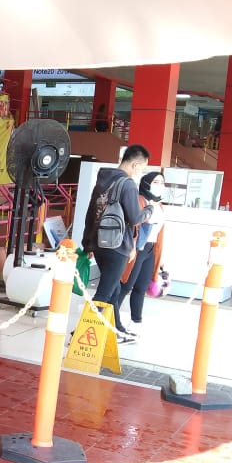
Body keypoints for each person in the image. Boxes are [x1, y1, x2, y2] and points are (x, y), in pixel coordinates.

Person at [81, 143, 154, 342]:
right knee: (104, 293)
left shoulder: (103, 180)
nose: (140, 172)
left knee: (113, 289)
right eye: (142, 168)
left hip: (99, 244)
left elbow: (91, 213)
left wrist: (87, 243)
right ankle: (80, 336)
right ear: (135, 165)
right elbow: (135, 217)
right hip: (117, 246)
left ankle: (117, 330)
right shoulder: (128, 184)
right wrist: (149, 210)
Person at [118, 171, 167, 338]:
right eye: (155, 182)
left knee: (140, 288)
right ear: (146, 184)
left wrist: (160, 258)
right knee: (125, 285)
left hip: (150, 250)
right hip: (136, 249)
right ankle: (111, 321)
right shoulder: (139, 200)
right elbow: (134, 225)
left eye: (162, 183)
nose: (159, 186)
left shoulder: (160, 206)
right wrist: (132, 248)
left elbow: (160, 233)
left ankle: (135, 324)